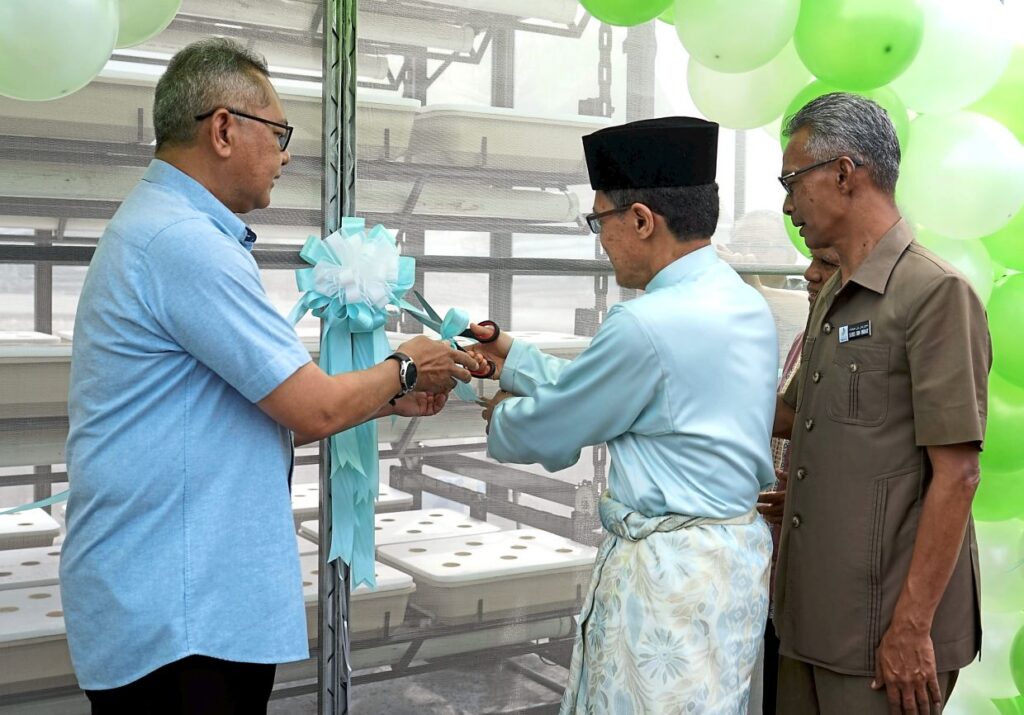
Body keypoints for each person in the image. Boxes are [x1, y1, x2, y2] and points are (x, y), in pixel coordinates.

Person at [60, 38, 475, 713]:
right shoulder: (183, 244)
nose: (286, 156)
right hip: (181, 624)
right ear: (223, 128)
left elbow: (260, 410)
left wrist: (385, 398)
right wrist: (403, 366)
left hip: (174, 608)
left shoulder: (166, 231)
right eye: (279, 133)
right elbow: (312, 409)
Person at [468, 117, 779, 714]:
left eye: (599, 220)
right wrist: (514, 358)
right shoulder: (741, 302)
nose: (600, 238)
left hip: (665, 582)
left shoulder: (645, 323)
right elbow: (624, 396)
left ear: (640, 219)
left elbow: (558, 422)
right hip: (726, 570)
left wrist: (499, 409)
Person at [772, 92, 990, 715]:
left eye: (793, 181)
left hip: (883, 637)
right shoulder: (835, 291)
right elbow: (796, 417)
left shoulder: (933, 294)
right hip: (814, 620)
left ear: (844, 173)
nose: (787, 203)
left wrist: (911, 630)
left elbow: (958, 472)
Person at [755, 246, 840, 715]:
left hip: (818, 568)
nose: (809, 275)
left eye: (826, 263)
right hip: (778, 558)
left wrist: (809, 498)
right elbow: (785, 417)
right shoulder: (806, 338)